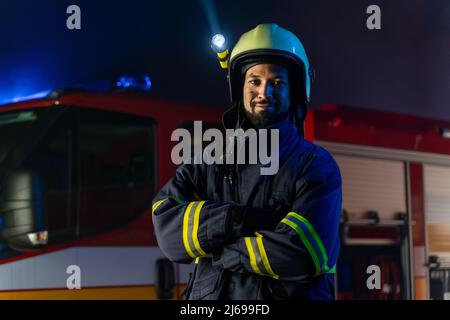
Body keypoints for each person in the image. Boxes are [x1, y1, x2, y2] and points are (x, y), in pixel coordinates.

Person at [152, 23, 342, 300]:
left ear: (295, 92)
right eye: (254, 81)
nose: (264, 92)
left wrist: (219, 249)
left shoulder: (314, 166)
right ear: (240, 87)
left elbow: (305, 252)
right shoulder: (208, 160)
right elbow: (168, 233)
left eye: (277, 83)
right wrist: (237, 219)